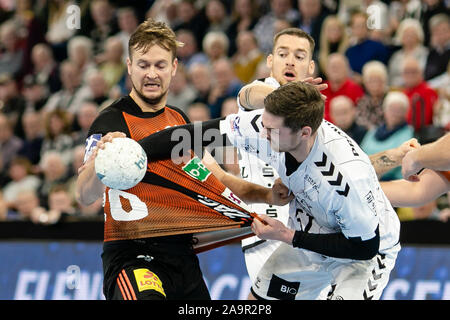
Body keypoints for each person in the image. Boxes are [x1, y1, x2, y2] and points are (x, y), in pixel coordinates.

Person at [76, 19, 288, 301]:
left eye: (160, 65)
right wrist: (99, 162)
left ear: (174, 68)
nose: (151, 74)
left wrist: (268, 195)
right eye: (143, 65)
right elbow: (84, 194)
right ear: (129, 66)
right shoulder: (111, 120)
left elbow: (216, 180)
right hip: (133, 258)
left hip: (183, 259)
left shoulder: (179, 120)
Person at [137, 81, 401, 300]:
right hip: (311, 227)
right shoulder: (267, 125)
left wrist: (288, 235)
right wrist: (135, 152)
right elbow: (191, 135)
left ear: (304, 132)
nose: (262, 134)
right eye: (263, 124)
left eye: (271, 130)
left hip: (363, 251)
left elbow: (364, 246)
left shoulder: (343, 178)